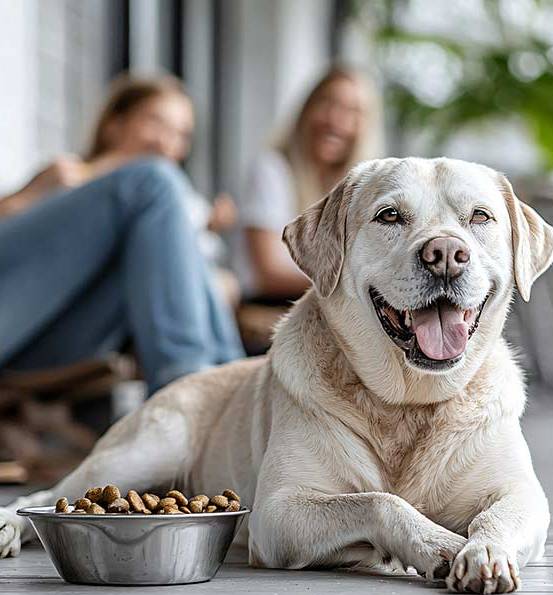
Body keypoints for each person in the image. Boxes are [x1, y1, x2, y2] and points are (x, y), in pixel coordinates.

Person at [0, 75, 244, 395]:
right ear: (113, 125)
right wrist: (30, 195)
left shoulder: (159, 215)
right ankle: (192, 391)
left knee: (163, 196)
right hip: (16, 321)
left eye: (181, 134)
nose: (165, 141)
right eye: (156, 122)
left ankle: (231, 393)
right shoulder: (66, 176)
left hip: (56, 344)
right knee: (156, 181)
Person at [233, 67, 383, 301]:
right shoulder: (271, 170)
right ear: (306, 110)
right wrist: (353, 278)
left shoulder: (361, 190)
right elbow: (269, 272)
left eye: (353, 111)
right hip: (269, 311)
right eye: (328, 103)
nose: (336, 120)